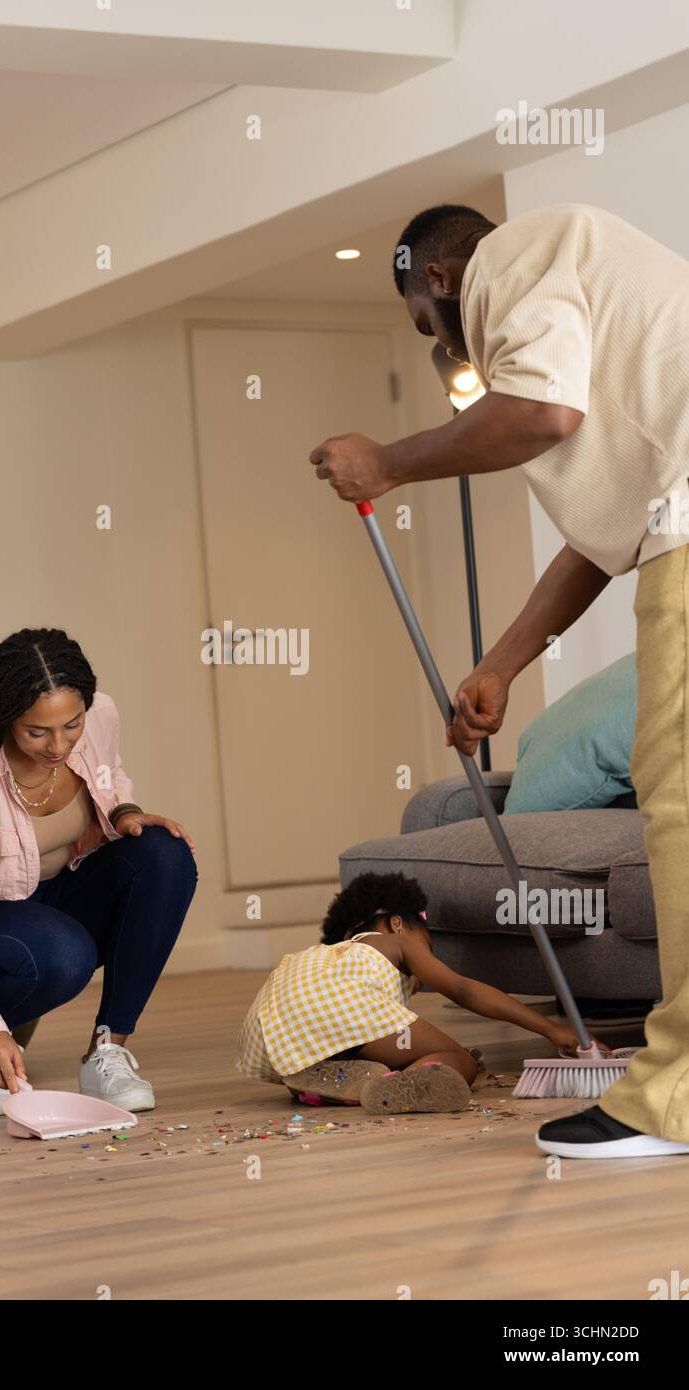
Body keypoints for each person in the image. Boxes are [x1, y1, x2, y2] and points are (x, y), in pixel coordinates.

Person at [309, 201, 689, 1158]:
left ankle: (674, 1098)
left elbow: (538, 416)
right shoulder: (595, 292)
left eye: (423, 323)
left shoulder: (515, 254)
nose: (441, 345)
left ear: (438, 279)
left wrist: (388, 461)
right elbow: (610, 536)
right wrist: (500, 666)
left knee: (679, 808)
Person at [0, 627, 197, 1115]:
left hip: (56, 891)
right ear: (7, 716)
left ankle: (108, 1051)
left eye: (71, 725)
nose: (59, 745)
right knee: (64, 955)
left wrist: (123, 812)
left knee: (165, 852)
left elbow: (108, 774)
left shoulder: (99, 715)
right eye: (38, 732)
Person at [236, 871, 595, 1114]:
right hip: (339, 1004)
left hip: (273, 1021)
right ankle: (416, 1078)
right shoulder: (394, 943)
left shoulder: (325, 957)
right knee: (457, 1059)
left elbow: (338, 1019)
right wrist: (550, 1029)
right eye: (428, 943)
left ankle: (324, 1080)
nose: (428, 954)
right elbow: (462, 989)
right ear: (397, 922)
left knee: (376, 1050)